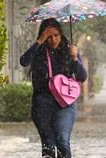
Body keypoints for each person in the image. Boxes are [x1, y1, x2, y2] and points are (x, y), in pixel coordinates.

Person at [20, 18, 87, 158]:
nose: (53, 39)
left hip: (65, 104)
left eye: (56, 35)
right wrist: (39, 41)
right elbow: (24, 61)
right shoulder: (38, 51)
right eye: (48, 36)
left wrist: (75, 59)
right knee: (48, 146)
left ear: (61, 34)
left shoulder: (70, 50)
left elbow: (82, 77)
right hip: (42, 103)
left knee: (62, 141)